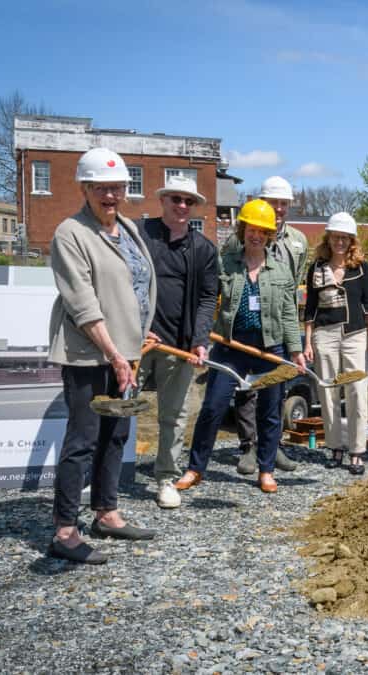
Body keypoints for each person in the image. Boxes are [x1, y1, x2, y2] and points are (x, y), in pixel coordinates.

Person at [47, 148, 157, 564]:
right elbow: (84, 303)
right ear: (86, 188)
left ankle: (107, 513)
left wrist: (142, 331)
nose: (111, 195)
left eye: (117, 188)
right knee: (82, 439)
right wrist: (114, 353)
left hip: (126, 351)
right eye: (102, 188)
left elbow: (135, 286)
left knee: (117, 435)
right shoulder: (71, 233)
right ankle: (65, 530)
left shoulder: (126, 228)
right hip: (89, 354)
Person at [175, 199, 306, 494]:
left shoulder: (281, 271)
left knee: (270, 411)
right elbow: (209, 302)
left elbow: (288, 314)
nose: (255, 235)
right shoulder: (227, 264)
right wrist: (201, 338)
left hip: (269, 348)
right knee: (213, 407)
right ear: (242, 229)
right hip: (231, 345)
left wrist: (295, 351)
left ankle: (266, 469)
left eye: (262, 231)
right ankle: (195, 468)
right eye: (251, 229)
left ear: (270, 234)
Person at [138, 175, 219, 509]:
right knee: (119, 408)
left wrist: (199, 340)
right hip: (136, 342)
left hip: (179, 345)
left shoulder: (203, 249)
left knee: (173, 415)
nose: (182, 206)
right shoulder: (140, 235)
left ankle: (165, 479)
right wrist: (134, 326)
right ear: (163, 200)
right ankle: (101, 476)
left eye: (188, 201)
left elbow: (206, 298)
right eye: (176, 199)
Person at [231, 176, 307, 475]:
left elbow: (295, 283)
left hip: (280, 323)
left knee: (277, 387)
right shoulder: (241, 235)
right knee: (247, 388)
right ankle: (249, 446)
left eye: (283, 203)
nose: (278, 208)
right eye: (273, 202)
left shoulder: (298, 241)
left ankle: (273, 446)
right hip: (247, 325)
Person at [302, 212, 368, 474]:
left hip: (355, 333)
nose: (340, 242)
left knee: (357, 390)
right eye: (336, 237)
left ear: (351, 240)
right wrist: (308, 342)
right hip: (325, 334)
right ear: (329, 238)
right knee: (327, 391)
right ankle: (335, 446)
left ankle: (357, 450)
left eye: (345, 238)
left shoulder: (361, 267)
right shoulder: (316, 268)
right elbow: (310, 307)